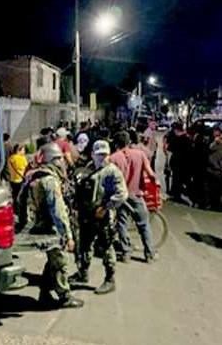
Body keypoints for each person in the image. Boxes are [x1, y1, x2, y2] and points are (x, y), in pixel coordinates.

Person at [25, 143, 83, 308]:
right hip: (50, 227)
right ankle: (64, 296)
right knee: (60, 261)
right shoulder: (50, 180)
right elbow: (58, 211)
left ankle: (45, 293)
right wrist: (67, 235)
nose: (63, 162)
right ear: (54, 159)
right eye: (60, 159)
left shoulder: (34, 175)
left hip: (36, 225)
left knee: (52, 261)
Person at [69, 140, 128, 294]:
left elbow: (122, 194)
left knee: (106, 247)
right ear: (92, 155)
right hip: (86, 215)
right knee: (84, 245)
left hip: (103, 216)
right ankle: (83, 273)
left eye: (104, 155)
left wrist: (106, 207)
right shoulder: (88, 169)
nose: (102, 158)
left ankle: (110, 279)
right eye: (99, 155)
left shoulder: (112, 171)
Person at [110, 131, 157, 263]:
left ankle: (126, 254)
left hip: (121, 196)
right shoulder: (140, 154)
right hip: (136, 195)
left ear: (116, 144)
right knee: (144, 225)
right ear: (129, 142)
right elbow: (151, 174)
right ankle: (149, 254)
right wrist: (155, 186)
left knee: (122, 224)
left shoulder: (113, 158)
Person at [207, 126, 222, 211]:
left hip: (217, 169)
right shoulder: (212, 142)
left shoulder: (217, 142)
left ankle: (216, 204)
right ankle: (214, 204)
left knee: (216, 188)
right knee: (214, 188)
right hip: (213, 169)